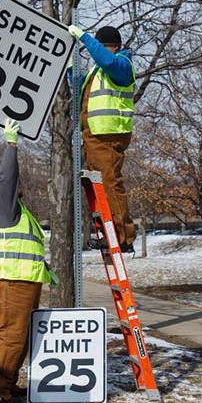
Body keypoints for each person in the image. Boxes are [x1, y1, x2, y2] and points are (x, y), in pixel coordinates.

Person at [0, 118, 58, 403]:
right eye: (12, 186)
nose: (17, 187)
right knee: (9, 337)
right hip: (7, 280)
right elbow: (8, 177)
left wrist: (44, 269)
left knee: (18, 338)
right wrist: (11, 145)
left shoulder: (16, 211)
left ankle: (7, 387)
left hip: (19, 280)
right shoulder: (2, 201)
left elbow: (21, 245)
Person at [68, 24, 136, 253]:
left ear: (115, 47)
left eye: (103, 46)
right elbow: (78, 87)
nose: (99, 52)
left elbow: (107, 61)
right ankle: (109, 233)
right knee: (99, 187)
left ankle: (123, 237)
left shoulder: (122, 66)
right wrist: (70, 67)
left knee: (110, 183)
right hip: (93, 136)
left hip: (109, 135)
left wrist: (85, 38)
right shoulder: (96, 73)